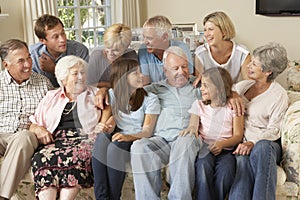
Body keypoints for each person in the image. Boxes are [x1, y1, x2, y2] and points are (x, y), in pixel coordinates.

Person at [29, 55, 108, 199]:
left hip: (84, 140)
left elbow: (110, 113)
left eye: (83, 73)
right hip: (56, 141)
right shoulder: (50, 97)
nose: (81, 77)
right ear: (63, 78)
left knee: (76, 156)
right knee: (41, 158)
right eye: (75, 73)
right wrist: (38, 129)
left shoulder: (96, 94)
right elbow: (34, 123)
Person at [131, 46, 202, 200]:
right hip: (161, 140)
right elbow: (127, 95)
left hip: (186, 138)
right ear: (165, 70)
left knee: (186, 141)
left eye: (184, 67)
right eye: (175, 68)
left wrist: (234, 94)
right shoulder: (154, 89)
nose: (181, 72)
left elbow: (225, 91)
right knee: (139, 146)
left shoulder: (199, 86)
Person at [92, 58, 160, 200]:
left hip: (136, 138)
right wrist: (104, 126)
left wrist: (127, 137)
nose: (142, 75)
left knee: (115, 146)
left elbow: (147, 131)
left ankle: (114, 197)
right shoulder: (112, 94)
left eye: (140, 72)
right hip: (118, 134)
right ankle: (101, 197)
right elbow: (108, 121)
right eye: (136, 73)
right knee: (102, 138)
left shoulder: (151, 98)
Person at [228, 42, 289, 200]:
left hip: (267, 144)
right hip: (242, 144)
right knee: (242, 161)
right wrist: (233, 94)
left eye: (254, 64)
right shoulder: (243, 86)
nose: (248, 65)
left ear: (268, 71)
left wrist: (252, 142)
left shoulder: (278, 95)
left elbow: (274, 130)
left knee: (261, 148)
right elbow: (227, 89)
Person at [180, 67, 244, 200]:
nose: (201, 89)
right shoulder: (198, 105)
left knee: (226, 173)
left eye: (205, 86)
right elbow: (193, 125)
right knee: (203, 167)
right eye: (201, 85)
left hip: (227, 150)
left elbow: (238, 136)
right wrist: (190, 130)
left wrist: (221, 144)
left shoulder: (233, 107)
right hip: (205, 148)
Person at [0, 39, 53, 200]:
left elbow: (54, 116)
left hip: (26, 136)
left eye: (29, 58)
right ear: (6, 65)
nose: (28, 64)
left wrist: (35, 126)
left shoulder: (43, 83)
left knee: (24, 137)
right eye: (21, 61)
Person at [30, 14, 89, 87]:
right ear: (42, 40)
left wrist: (54, 69)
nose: (62, 39)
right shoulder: (32, 54)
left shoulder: (79, 51)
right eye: (55, 37)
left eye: (63, 33)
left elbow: (85, 83)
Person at [194, 11, 250, 84]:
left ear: (224, 31)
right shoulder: (200, 53)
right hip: (210, 93)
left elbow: (249, 84)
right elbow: (200, 84)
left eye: (211, 29)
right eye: (205, 30)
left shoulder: (242, 53)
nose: (206, 34)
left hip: (234, 93)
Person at [138, 15, 194, 85]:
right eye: (144, 37)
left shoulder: (182, 48)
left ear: (165, 37)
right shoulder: (143, 51)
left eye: (149, 38)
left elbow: (187, 80)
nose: (145, 42)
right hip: (154, 93)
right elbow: (145, 84)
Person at [87, 23, 138, 88]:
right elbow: (90, 84)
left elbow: (134, 84)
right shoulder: (96, 55)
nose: (110, 53)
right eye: (108, 47)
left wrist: (104, 85)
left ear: (126, 47)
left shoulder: (131, 55)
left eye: (116, 50)